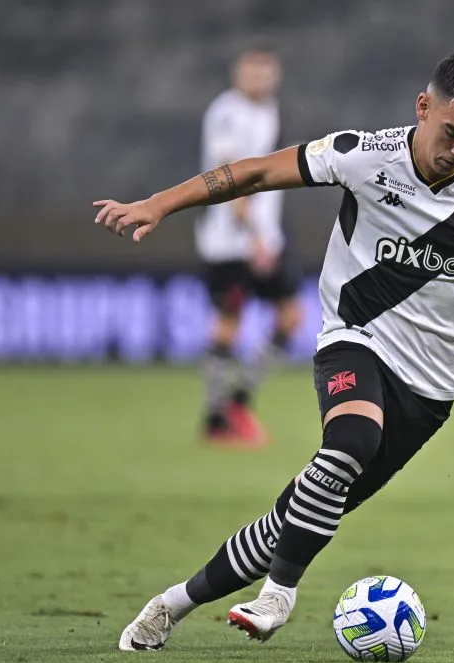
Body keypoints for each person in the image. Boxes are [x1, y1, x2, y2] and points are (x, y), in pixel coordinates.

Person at [97, 51, 454, 650]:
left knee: (297, 516)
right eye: (451, 134)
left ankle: (169, 606)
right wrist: (160, 204)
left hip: (430, 390)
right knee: (352, 440)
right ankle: (280, 596)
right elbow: (252, 173)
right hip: (354, 339)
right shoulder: (363, 155)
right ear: (423, 107)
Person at [195, 46, 303, 448]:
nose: (259, 79)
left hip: (265, 236)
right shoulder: (227, 112)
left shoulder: (270, 110)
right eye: (252, 71)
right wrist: (253, 234)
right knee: (229, 321)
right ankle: (215, 416)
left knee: (291, 315)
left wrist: (266, 234)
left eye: (266, 72)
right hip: (230, 242)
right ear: (238, 73)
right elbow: (230, 178)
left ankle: (237, 401)